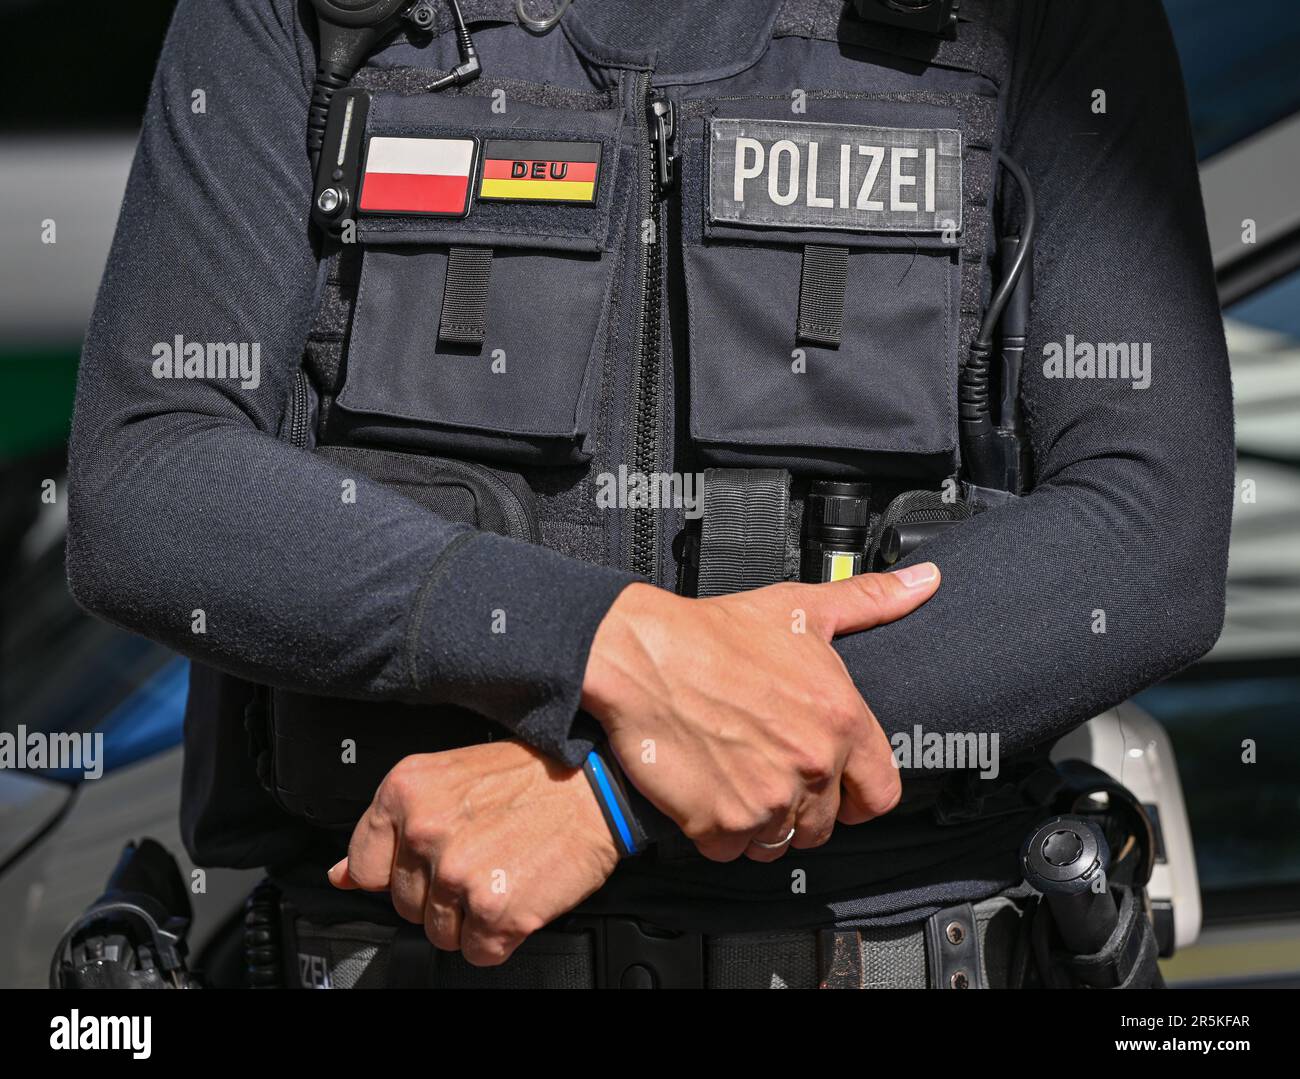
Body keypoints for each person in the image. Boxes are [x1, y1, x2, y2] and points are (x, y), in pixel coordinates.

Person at [65, 0, 1233, 988]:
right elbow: (148, 478)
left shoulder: (1029, 18)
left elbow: (1146, 535)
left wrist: (612, 795)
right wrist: (604, 648)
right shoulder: (316, 16)